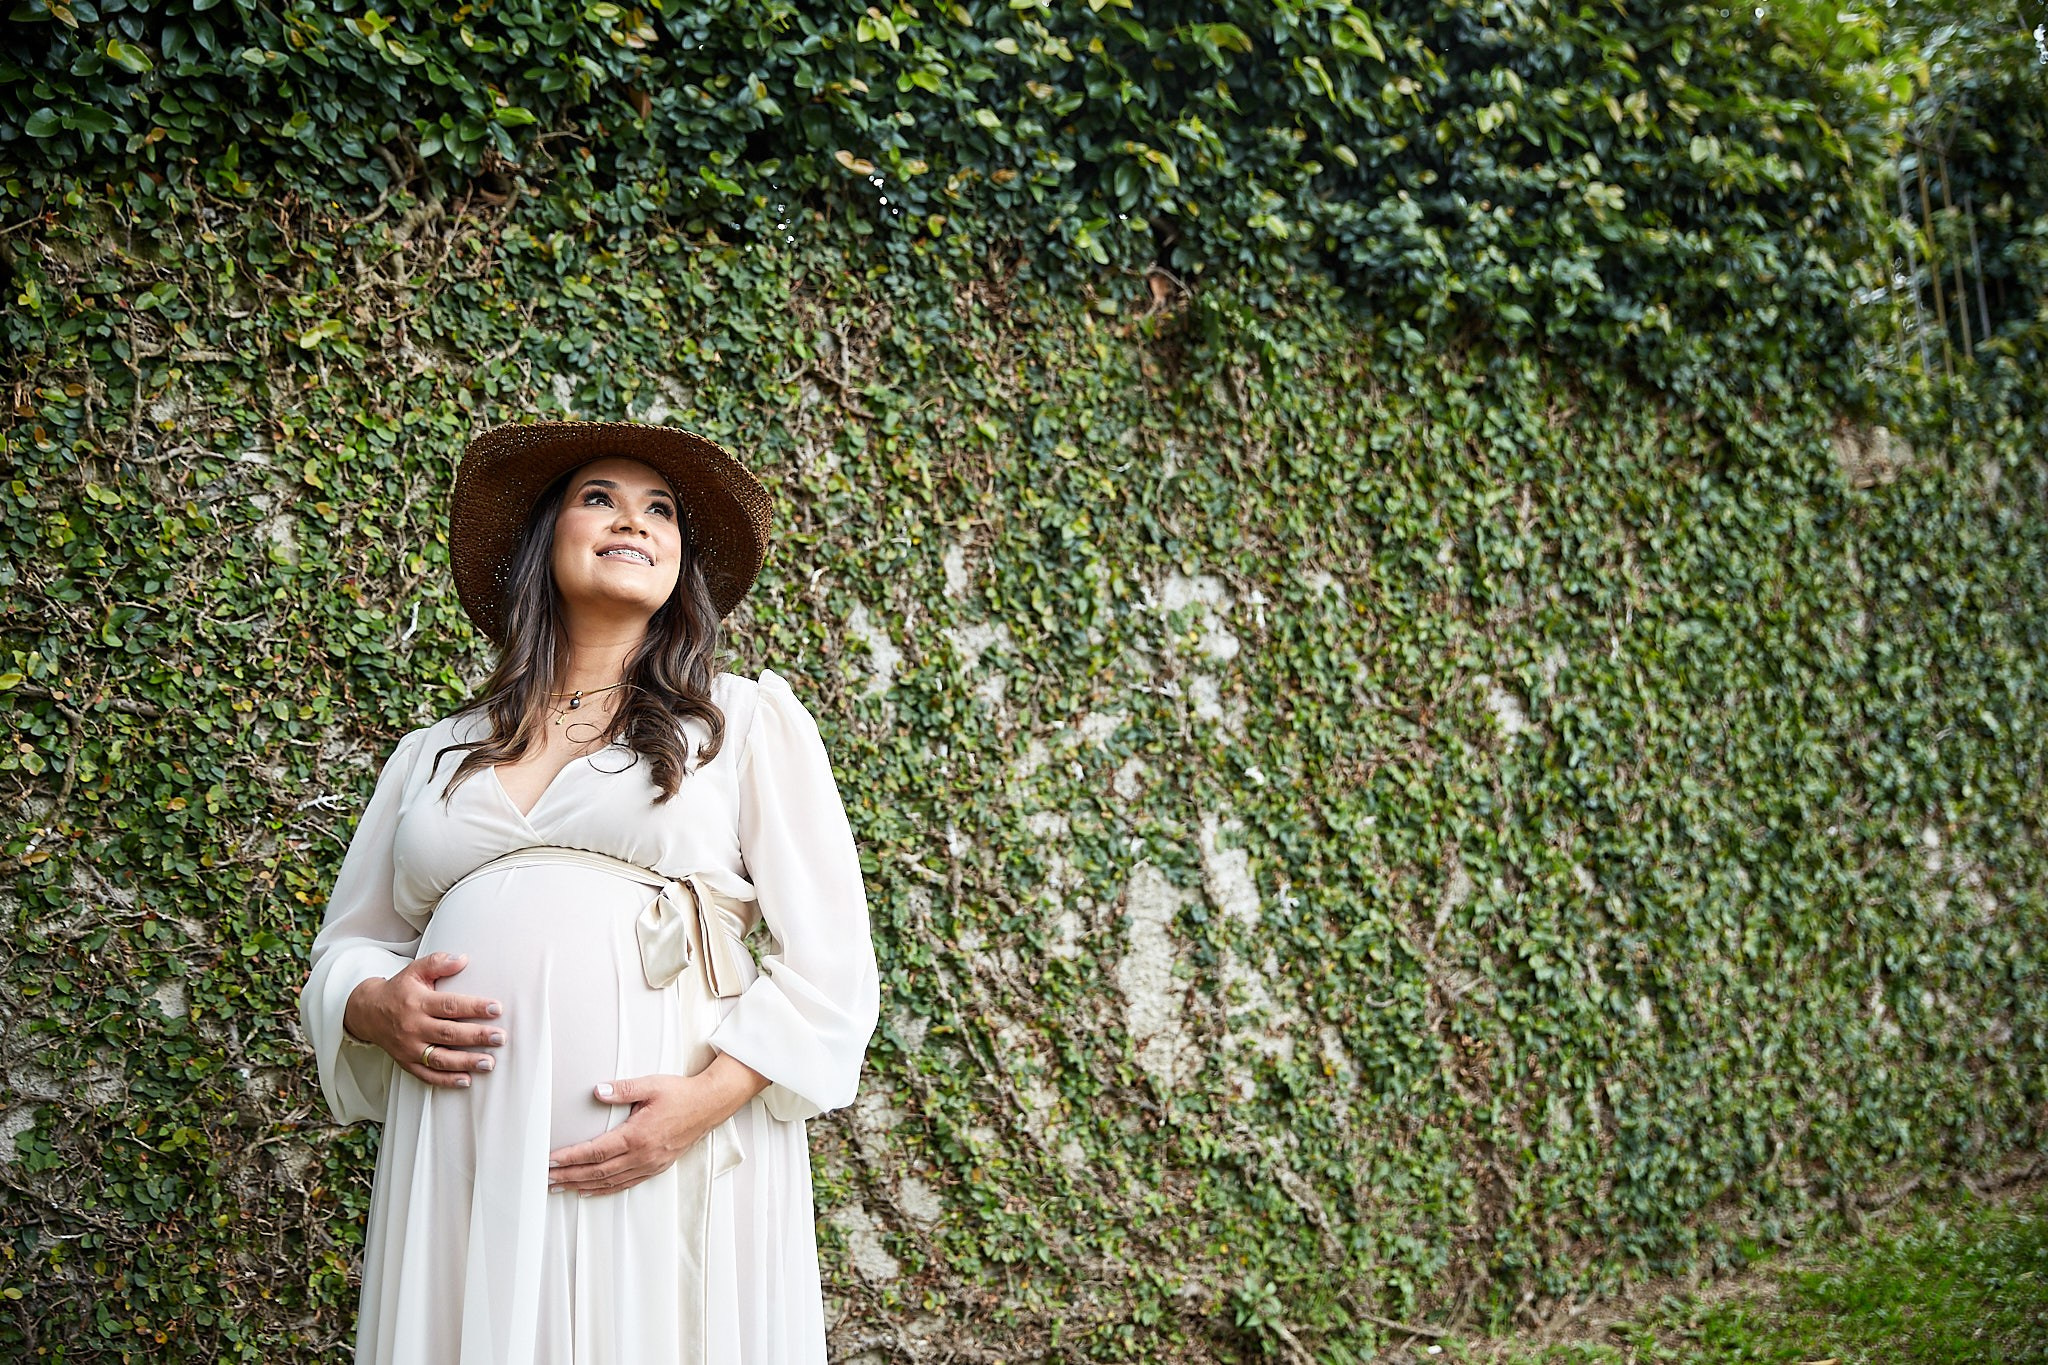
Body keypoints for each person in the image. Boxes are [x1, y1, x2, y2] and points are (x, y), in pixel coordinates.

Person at [298, 419, 880, 1364]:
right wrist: (373, 1004)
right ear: (547, 538)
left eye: (661, 510)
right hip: (464, 1138)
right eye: (599, 497)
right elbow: (350, 945)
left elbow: (832, 963)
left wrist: (704, 1102)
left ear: (680, 563)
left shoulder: (741, 722)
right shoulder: (432, 755)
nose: (634, 521)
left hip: (666, 1138)